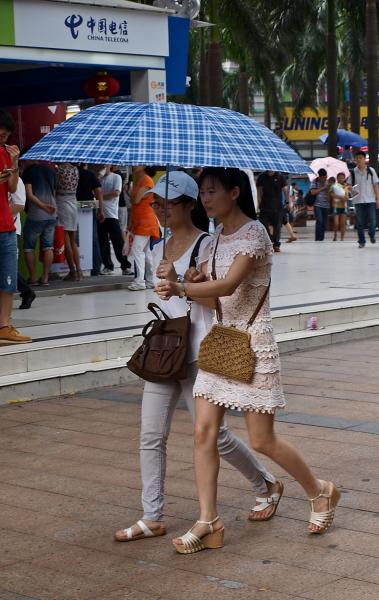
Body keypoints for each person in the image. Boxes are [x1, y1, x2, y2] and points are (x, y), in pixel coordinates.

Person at [156, 168, 340, 553]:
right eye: (202, 192)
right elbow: (214, 299)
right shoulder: (214, 241)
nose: (205, 199)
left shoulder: (254, 233)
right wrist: (185, 281)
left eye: (212, 192)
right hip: (221, 342)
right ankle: (209, 521)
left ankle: (319, 491)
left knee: (263, 440)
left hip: (253, 344)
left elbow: (228, 286)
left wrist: (182, 285)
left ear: (235, 192)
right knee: (203, 433)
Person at [114, 171, 282, 544]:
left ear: (189, 205)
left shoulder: (209, 245)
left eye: (167, 203)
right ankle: (153, 515)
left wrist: (182, 282)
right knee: (150, 435)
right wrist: (170, 283)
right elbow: (167, 300)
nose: (159, 209)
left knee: (215, 437)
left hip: (200, 350)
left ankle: (265, 482)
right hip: (164, 352)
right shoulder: (158, 247)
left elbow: (217, 299)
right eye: (155, 203)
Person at [0, 109, 31, 345]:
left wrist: (14, 162)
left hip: (6, 226)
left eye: (5, 136)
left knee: (8, 279)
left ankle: (5, 326)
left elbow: (11, 188)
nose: (3, 140)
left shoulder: (4, 153)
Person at [22, 157, 57, 286]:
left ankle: (33, 278)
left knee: (29, 247)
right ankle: (45, 278)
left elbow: (29, 194)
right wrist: (48, 207)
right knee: (48, 246)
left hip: (36, 214)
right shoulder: (50, 171)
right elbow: (54, 191)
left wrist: (43, 206)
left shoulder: (28, 172)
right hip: (52, 213)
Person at [128, 166, 161, 291]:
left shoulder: (146, 180)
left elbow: (135, 200)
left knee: (138, 249)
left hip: (145, 221)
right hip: (141, 220)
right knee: (146, 252)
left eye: (137, 164)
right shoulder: (141, 180)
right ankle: (150, 280)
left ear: (143, 166)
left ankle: (139, 282)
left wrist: (132, 196)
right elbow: (135, 200)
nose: (134, 165)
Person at [98, 164, 132, 275]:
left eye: (106, 164)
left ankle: (125, 266)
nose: (103, 166)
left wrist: (101, 196)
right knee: (103, 242)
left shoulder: (116, 177)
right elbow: (94, 192)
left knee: (118, 241)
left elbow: (117, 193)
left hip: (112, 214)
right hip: (100, 213)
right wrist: (98, 177)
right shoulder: (99, 178)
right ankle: (108, 266)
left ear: (110, 165)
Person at [8, 177, 36, 309]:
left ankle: (26, 292)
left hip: (9, 228)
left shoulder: (16, 180)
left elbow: (19, 205)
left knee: (7, 266)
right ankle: (26, 291)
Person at [76, 164, 104, 277]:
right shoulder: (89, 174)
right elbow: (98, 192)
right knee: (92, 238)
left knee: (72, 239)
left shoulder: (64, 173)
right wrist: (101, 210)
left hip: (70, 206)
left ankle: (75, 269)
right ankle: (96, 269)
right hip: (88, 208)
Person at [56, 163, 82, 281]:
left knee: (65, 238)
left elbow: (55, 187)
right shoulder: (75, 169)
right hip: (73, 202)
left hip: (62, 202)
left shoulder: (59, 170)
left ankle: (72, 271)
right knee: (73, 240)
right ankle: (79, 270)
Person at [350, 151, 379, 248]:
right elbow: (350, 186)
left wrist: (378, 199)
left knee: (373, 220)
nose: (358, 160)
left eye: (360, 158)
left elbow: (375, 185)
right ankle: (361, 241)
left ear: (364, 159)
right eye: (357, 158)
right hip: (358, 201)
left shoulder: (371, 170)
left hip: (370, 200)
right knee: (360, 223)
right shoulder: (353, 172)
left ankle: (371, 234)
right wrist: (349, 188)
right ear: (355, 159)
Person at [256, 171, 288, 252]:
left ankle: (276, 245)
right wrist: (258, 202)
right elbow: (259, 190)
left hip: (277, 206)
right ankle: (270, 241)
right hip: (264, 205)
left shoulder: (280, 176)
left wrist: (289, 201)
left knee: (277, 226)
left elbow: (285, 189)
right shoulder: (261, 176)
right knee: (263, 224)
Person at [309, 168, 330, 241]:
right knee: (319, 221)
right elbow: (312, 192)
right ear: (319, 176)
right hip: (317, 205)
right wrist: (323, 188)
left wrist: (329, 189)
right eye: (323, 177)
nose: (325, 178)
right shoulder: (315, 181)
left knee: (324, 223)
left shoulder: (328, 182)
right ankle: (317, 239)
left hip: (326, 205)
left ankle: (322, 239)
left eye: (326, 177)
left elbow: (330, 194)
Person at [330, 173, 349, 242]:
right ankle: (335, 236)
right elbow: (331, 195)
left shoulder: (346, 186)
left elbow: (347, 197)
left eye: (342, 178)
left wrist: (345, 198)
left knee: (343, 223)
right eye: (339, 177)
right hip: (336, 206)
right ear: (337, 178)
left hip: (344, 207)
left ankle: (342, 238)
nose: (341, 179)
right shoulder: (333, 186)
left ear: (344, 178)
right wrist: (340, 197)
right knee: (336, 223)